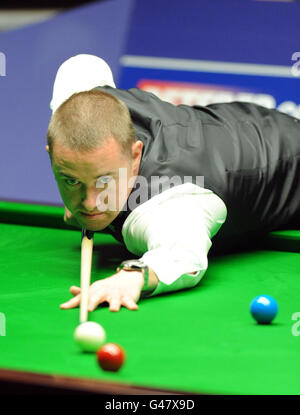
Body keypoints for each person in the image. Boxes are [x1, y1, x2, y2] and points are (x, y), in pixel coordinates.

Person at [46, 54, 300, 313]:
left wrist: (131, 278)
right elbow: (83, 66)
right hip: (240, 125)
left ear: (135, 156)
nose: (90, 202)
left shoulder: (167, 202)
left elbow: (183, 258)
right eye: (71, 180)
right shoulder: (86, 103)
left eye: (104, 181)